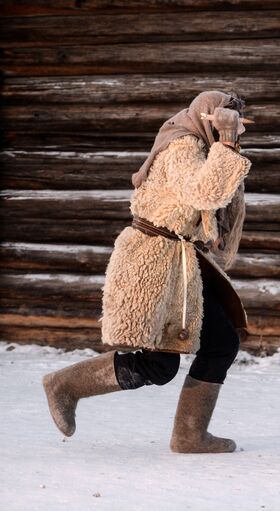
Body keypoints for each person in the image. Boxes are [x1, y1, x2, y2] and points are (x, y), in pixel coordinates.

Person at [42, 91, 252, 453]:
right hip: (153, 260)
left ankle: (189, 436)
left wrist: (210, 233)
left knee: (221, 342)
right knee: (160, 365)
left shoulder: (199, 147)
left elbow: (196, 203)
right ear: (207, 118)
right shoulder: (183, 145)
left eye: (234, 125)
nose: (230, 131)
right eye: (224, 122)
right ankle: (66, 385)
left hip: (179, 259)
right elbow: (204, 192)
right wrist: (229, 143)